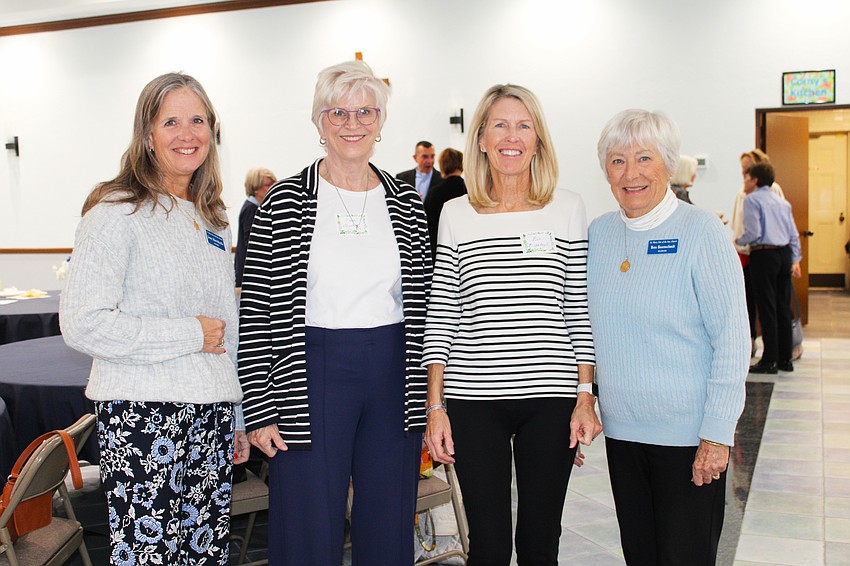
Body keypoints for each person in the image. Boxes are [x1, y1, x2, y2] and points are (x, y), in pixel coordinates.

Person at [237, 60, 431, 565]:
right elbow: (256, 310)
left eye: (365, 111)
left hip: (394, 370)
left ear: (381, 121)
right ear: (318, 122)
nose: (352, 122)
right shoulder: (284, 200)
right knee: (307, 520)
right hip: (309, 371)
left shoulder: (405, 199)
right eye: (338, 111)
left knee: (389, 518)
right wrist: (259, 410)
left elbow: (427, 301)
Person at [60, 72, 249, 565]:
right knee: (151, 557)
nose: (187, 134)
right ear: (147, 135)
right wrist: (189, 334)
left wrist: (237, 415)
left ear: (213, 131)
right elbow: (82, 322)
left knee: (205, 554)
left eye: (198, 120)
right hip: (145, 416)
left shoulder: (211, 217)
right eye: (171, 122)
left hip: (209, 413)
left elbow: (225, 325)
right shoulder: (114, 212)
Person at [423, 84, 600, 566]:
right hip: (474, 400)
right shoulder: (456, 213)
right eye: (499, 124)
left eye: (524, 125)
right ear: (480, 138)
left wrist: (587, 396)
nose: (511, 136)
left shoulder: (567, 207)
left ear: (539, 140)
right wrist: (434, 407)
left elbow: (577, 309)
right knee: (489, 547)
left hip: (552, 397)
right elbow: (442, 314)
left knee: (541, 543)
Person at [588, 109, 749, 566]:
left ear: (668, 163)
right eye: (617, 161)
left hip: (690, 439)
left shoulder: (702, 232)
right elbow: (581, 331)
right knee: (640, 555)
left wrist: (717, 435)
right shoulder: (598, 235)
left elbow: (732, 340)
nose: (630, 173)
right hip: (624, 434)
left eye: (644, 158)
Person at [738, 161, 802, 374]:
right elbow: (793, 234)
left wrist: (739, 239)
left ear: (755, 180)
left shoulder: (752, 200)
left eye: (746, 178)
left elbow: (754, 232)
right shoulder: (782, 202)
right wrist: (795, 259)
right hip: (783, 254)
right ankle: (785, 358)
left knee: (766, 307)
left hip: (763, 254)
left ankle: (769, 360)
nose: (744, 181)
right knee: (783, 306)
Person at [730, 149, 786, 354]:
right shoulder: (741, 191)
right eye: (742, 168)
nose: (744, 172)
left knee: (769, 302)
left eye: (748, 168)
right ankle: (750, 342)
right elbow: (738, 220)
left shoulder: (772, 190)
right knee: (747, 300)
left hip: (761, 250)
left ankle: (774, 350)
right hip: (744, 251)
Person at [234, 167, 276, 289]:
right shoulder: (251, 209)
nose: (272, 188)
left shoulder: (257, 207)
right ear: (255, 188)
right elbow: (252, 243)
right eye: (268, 185)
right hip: (250, 275)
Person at [423, 147, 467, 259]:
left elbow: (427, 224)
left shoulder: (434, 192)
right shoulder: (470, 190)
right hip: (465, 247)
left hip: (440, 249)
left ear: (442, 165)